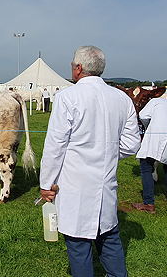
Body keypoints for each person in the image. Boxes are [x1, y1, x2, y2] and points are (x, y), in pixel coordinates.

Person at [40, 46, 140, 277]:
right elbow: (132, 144)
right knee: (109, 236)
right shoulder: (121, 99)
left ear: (78, 68)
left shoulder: (67, 97)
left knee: (78, 243)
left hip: (75, 183)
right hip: (106, 182)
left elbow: (55, 146)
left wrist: (46, 183)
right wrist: (108, 153)